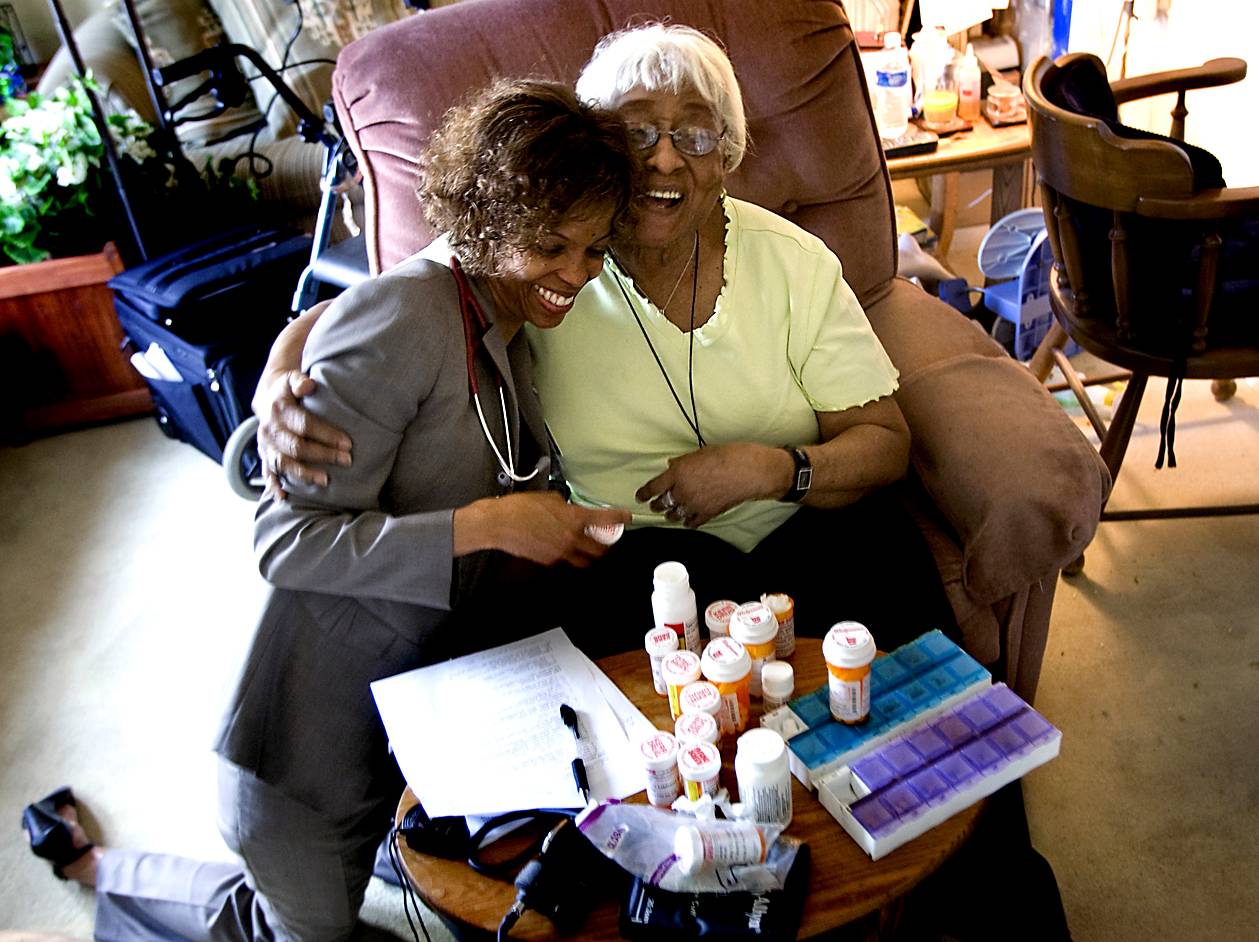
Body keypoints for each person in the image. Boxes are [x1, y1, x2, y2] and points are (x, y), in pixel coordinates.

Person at [21, 79, 637, 941]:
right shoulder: (417, 311)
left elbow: (339, 331)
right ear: (485, 217)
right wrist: (491, 526)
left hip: (410, 725)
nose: (576, 274)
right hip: (309, 758)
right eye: (552, 245)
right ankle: (97, 872)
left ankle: (99, 866)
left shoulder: (502, 318)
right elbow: (282, 539)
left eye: (594, 249)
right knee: (289, 931)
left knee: (267, 913)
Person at [256, 23, 954, 652]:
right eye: (637, 131)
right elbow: (394, 299)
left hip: (802, 534)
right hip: (629, 562)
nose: (664, 160)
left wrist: (774, 469)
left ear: (727, 154)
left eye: (695, 133)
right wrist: (277, 375)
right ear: (596, 150)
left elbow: (882, 444)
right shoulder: (542, 252)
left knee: (915, 681)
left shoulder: (792, 261)